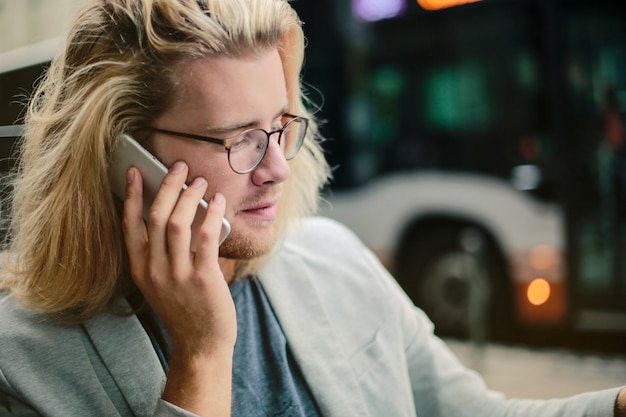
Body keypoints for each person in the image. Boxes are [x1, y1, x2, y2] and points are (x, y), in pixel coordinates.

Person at [0, 0, 624, 416]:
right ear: (122, 155)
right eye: (240, 137)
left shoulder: (332, 258)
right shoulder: (21, 362)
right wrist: (202, 356)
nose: (276, 167)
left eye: (280, 124)